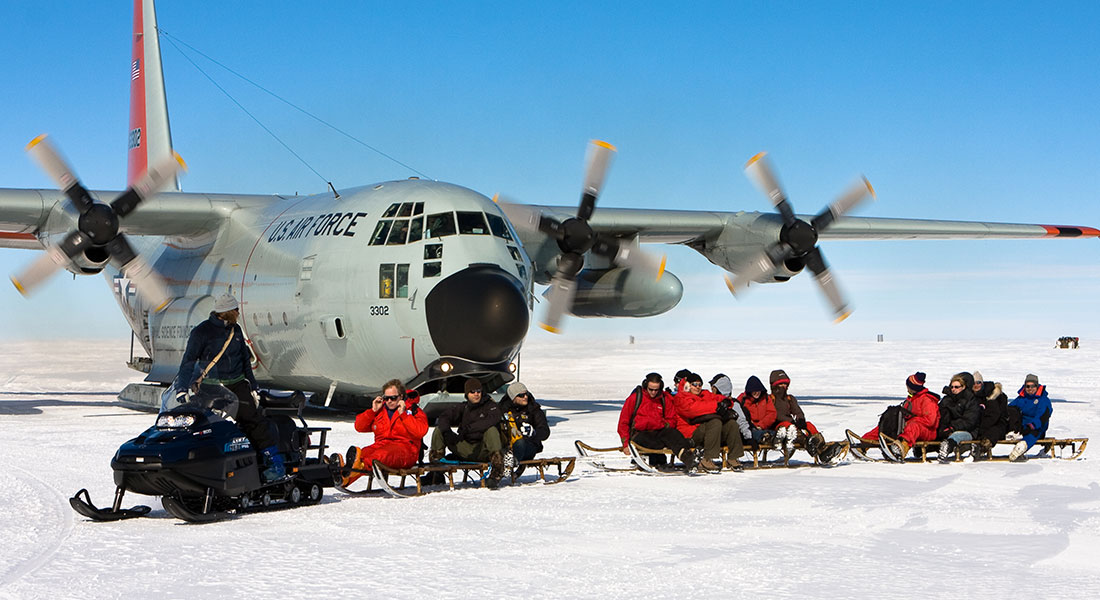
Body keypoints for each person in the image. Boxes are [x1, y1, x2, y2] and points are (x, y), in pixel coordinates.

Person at [176, 293, 284, 482]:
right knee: (204, 425)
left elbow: (244, 360)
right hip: (210, 387)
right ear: (228, 312)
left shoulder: (236, 330)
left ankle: (273, 463)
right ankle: (202, 463)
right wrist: (182, 388)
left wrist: (253, 388)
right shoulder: (201, 332)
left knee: (253, 421)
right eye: (236, 310)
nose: (238, 313)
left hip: (237, 384)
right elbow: (188, 361)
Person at [338, 379, 429, 487]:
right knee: (364, 453)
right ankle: (345, 478)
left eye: (393, 398)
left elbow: (420, 431)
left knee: (380, 456)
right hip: (381, 445)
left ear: (401, 397)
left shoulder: (412, 410)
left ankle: (354, 469)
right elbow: (359, 427)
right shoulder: (381, 410)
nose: (389, 401)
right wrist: (373, 411)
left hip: (406, 450)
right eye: (386, 398)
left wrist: (404, 415)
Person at [429, 378, 506, 485]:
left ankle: (496, 473)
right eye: (472, 392)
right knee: (439, 430)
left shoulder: (491, 406)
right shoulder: (464, 407)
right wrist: (447, 432)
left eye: (478, 391)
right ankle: (436, 472)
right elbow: (444, 417)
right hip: (466, 447)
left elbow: (491, 420)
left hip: (483, 450)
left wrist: (468, 429)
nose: (476, 394)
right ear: (467, 394)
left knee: (491, 430)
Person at [617, 372, 698, 473]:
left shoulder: (664, 399)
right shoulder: (635, 398)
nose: (653, 392)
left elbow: (671, 419)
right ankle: (654, 460)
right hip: (639, 434)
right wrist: (626, 444)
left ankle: (689, 459)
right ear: (645, 386)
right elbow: (623, 423)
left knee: (673, 434)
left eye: (656, 390)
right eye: (651, 389)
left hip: (659, 432)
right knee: (650, 440)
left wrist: (663, 425)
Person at [672, 372, 745, 472]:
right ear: (688, 385)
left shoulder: (704, 394)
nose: (697, 387)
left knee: (731, 424)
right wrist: (716, 406)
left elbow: (718, 398)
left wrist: (726, 402)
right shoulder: (681, 397)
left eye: (699, 384)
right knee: (715, 421)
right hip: (691, 434)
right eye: (694, 384)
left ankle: (733, 457)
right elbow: (693, 410)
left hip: (708, 432)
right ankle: (707, 458)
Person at [860, 372, 940, 461]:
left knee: (913, 426)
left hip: (927, 431)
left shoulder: (927, 400)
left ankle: (902, 447)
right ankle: (864, 444)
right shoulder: (911, 398)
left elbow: (930, 421)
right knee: (888, 425)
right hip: (909, 427)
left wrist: (911, 421)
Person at [768, 369, 831, 460]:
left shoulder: (790, 399)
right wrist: (790, 421)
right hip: (777, 427)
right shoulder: (770, 399)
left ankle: (821, 446)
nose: (784, 387)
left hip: (791, 425)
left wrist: (800, 420)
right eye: (781, 384)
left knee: (809, 425)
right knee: (788, 426)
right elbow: (774, 414)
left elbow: (797, 411)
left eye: (785, 384)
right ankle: (807, 443)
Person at [498, 381, 550, 476]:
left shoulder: (533, 409)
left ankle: (511, 462)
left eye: (526, 394)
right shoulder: (502, 409)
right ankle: (505, 464)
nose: (525, 397)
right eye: (521, 395)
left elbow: (545, 431)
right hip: (507, 446)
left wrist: (533, 432)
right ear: (513, 397)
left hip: (529, 445)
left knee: (521, 443)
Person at [936, 372, 981, 462]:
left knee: (957, 435)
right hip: (948, 429)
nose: (953, 389)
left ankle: (947, 447)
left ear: (963, 387)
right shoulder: (947, 400)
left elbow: (969, 421)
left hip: (968, 431)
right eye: (952, 387)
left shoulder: (971, 400)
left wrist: (952, 427)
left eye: (956, 387)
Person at [1008, 374, 1053, 461]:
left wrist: (1032, 425)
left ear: (1037, 386)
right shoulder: (1021, 399)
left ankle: (1022, 446)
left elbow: (1042, 416)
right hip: (1022, 426)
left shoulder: (1043, 400)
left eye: (1033, 386)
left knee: (1034, 433)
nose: (1030, 389)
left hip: (1037, 427)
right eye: (1028, 386)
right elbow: (1009, 409)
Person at [971, 370, 1009, 459]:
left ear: (982, 383)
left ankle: (981, 449)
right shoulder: (972, 397)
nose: (976, 385)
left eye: (978, 382)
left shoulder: (993, 396)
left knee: (993, 432)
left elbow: (997, 415)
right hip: (980, 424)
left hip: (997, 424)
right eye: (974, 383)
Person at [709, 373, 752, 444]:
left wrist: (748, 437)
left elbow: (741, 421)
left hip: (728, 439)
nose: (711, 389)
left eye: (713, 387)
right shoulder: (711, 401)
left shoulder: (733, 404)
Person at [737, 375, 777, 445]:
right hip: (749, 429)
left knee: (773, 433)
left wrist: (761, 425)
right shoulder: (742, 399)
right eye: (754, 392)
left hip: (764, 427)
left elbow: (772, 414)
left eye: (758, 391)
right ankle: (766, 437)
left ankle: (772, 437)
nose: (757, 393)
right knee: (755, 433)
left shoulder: (766, 398)